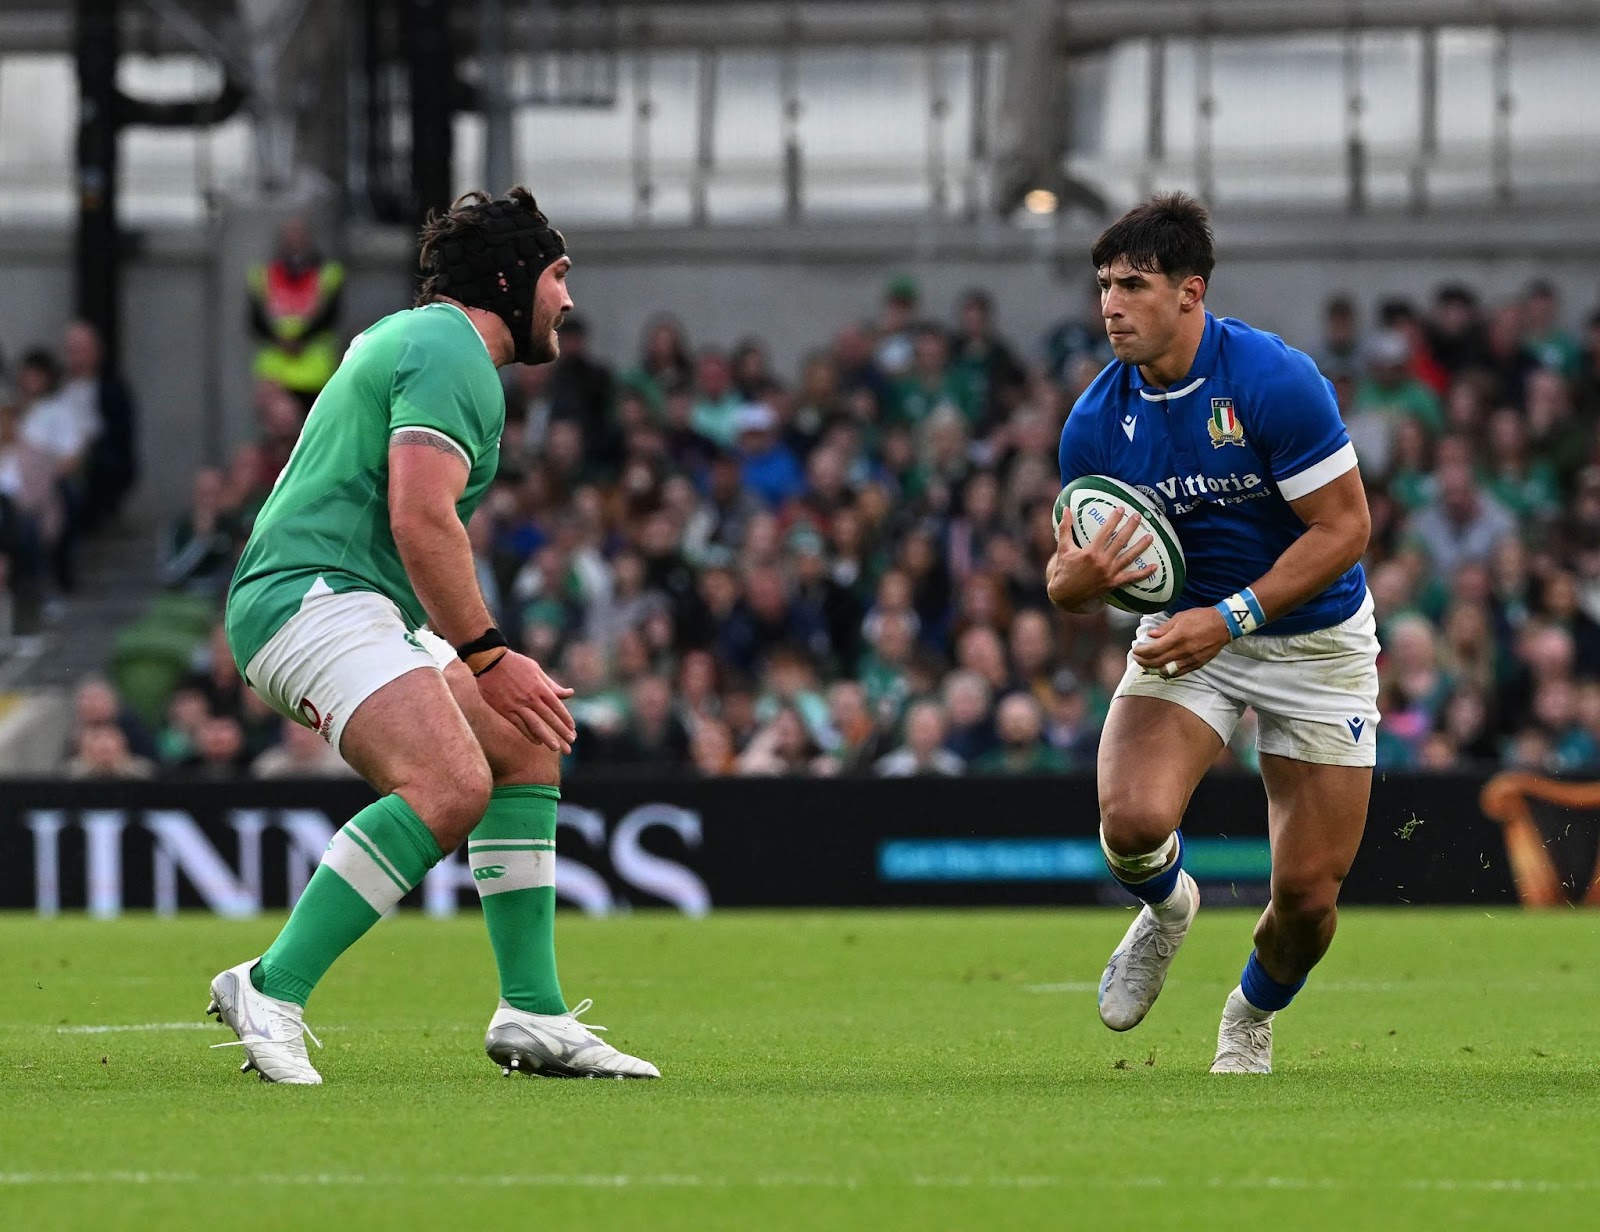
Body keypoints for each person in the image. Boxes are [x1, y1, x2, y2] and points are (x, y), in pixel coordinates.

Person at [209, 188, 657, 1085]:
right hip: (314, 594)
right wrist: (490, 656)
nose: (569, 300)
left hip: (353, 599)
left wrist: (487, 669)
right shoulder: (454, 347)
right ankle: (270, 985)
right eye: (559, 276)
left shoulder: (425, 341)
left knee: (524, 748)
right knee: (448, 783)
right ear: (510, 277)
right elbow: (422, 520)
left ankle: (532, 1012)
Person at [1049, 193, 1377, 1075]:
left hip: (1313, 641)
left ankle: (1248, 1015)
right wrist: (1071, 585)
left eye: (1134, 284)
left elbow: (1345, 530)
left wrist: (1229, 617)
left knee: (1306, 900)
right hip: (1190, 631)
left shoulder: (1274, 381)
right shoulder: (1094, 422)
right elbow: (1071, 573)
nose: (1111, 304)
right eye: (1103, 285)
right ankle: (1166, 908)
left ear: (1191, 293)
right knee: (1131, 819)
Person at [247, 217, 345, 409]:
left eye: (299, 234)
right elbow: (255, 319)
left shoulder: (328, 273)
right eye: (290, 235)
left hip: (314, 372)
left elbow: (330, 317)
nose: (294, 240)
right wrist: (280, 340)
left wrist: (300, 340)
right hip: (274, 372)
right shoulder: (264, 273)